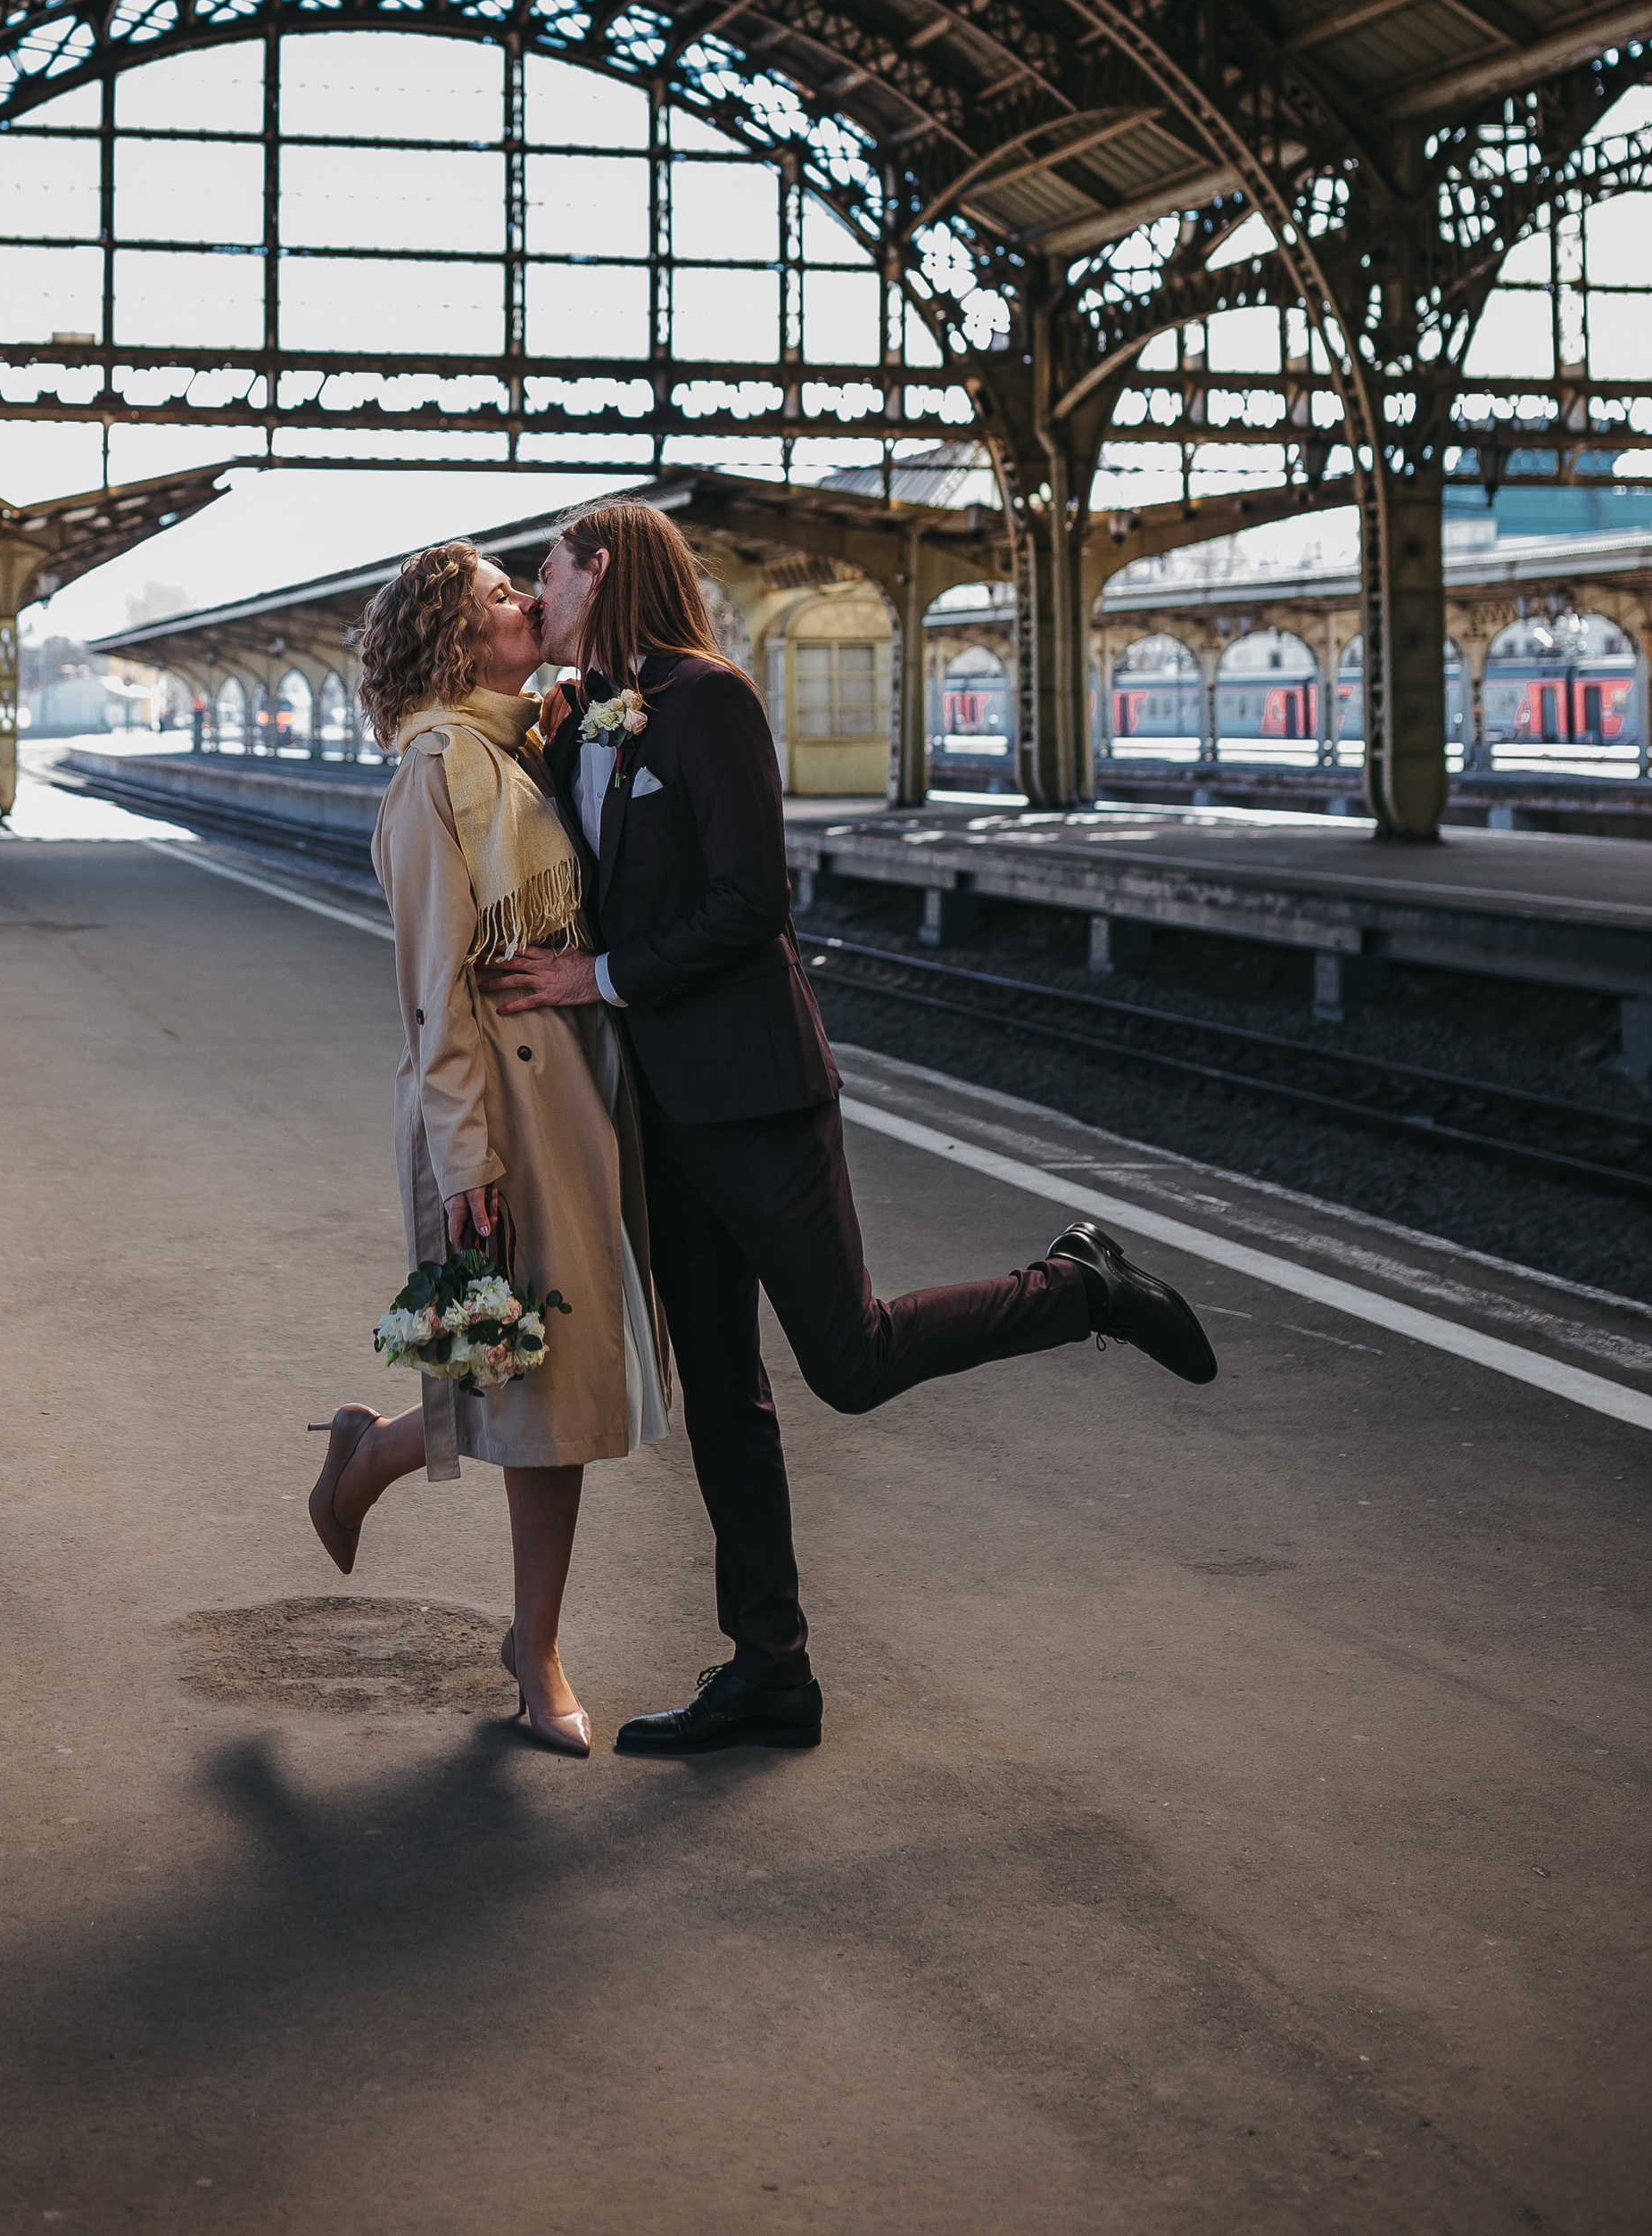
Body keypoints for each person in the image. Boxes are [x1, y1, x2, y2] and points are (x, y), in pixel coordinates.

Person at [480, 499, 1217, 1759]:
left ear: (600, 571)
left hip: (757, 1094)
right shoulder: (575, 728)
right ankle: (771, 1672)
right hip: (661, 1112)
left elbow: (753, 899)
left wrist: (597, 980)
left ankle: (1079, 1287)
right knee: (724, 1397)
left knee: (849, 1358)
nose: (533, 587)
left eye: (545, 566)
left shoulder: (708, 701)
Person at [307, 540, 667, 1756]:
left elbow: (640, 714)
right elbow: (432, 995)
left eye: (525, 590)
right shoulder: (435, 774)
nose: (524, 604)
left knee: (534, 1378)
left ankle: (369, 1461)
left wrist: (596, 671)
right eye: (501, 599)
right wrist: (470, 1161)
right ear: (458, 641)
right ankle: (538, 1647)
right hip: (497, 1109)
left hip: (566, 1093)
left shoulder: (519, 746)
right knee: (527, 1380)